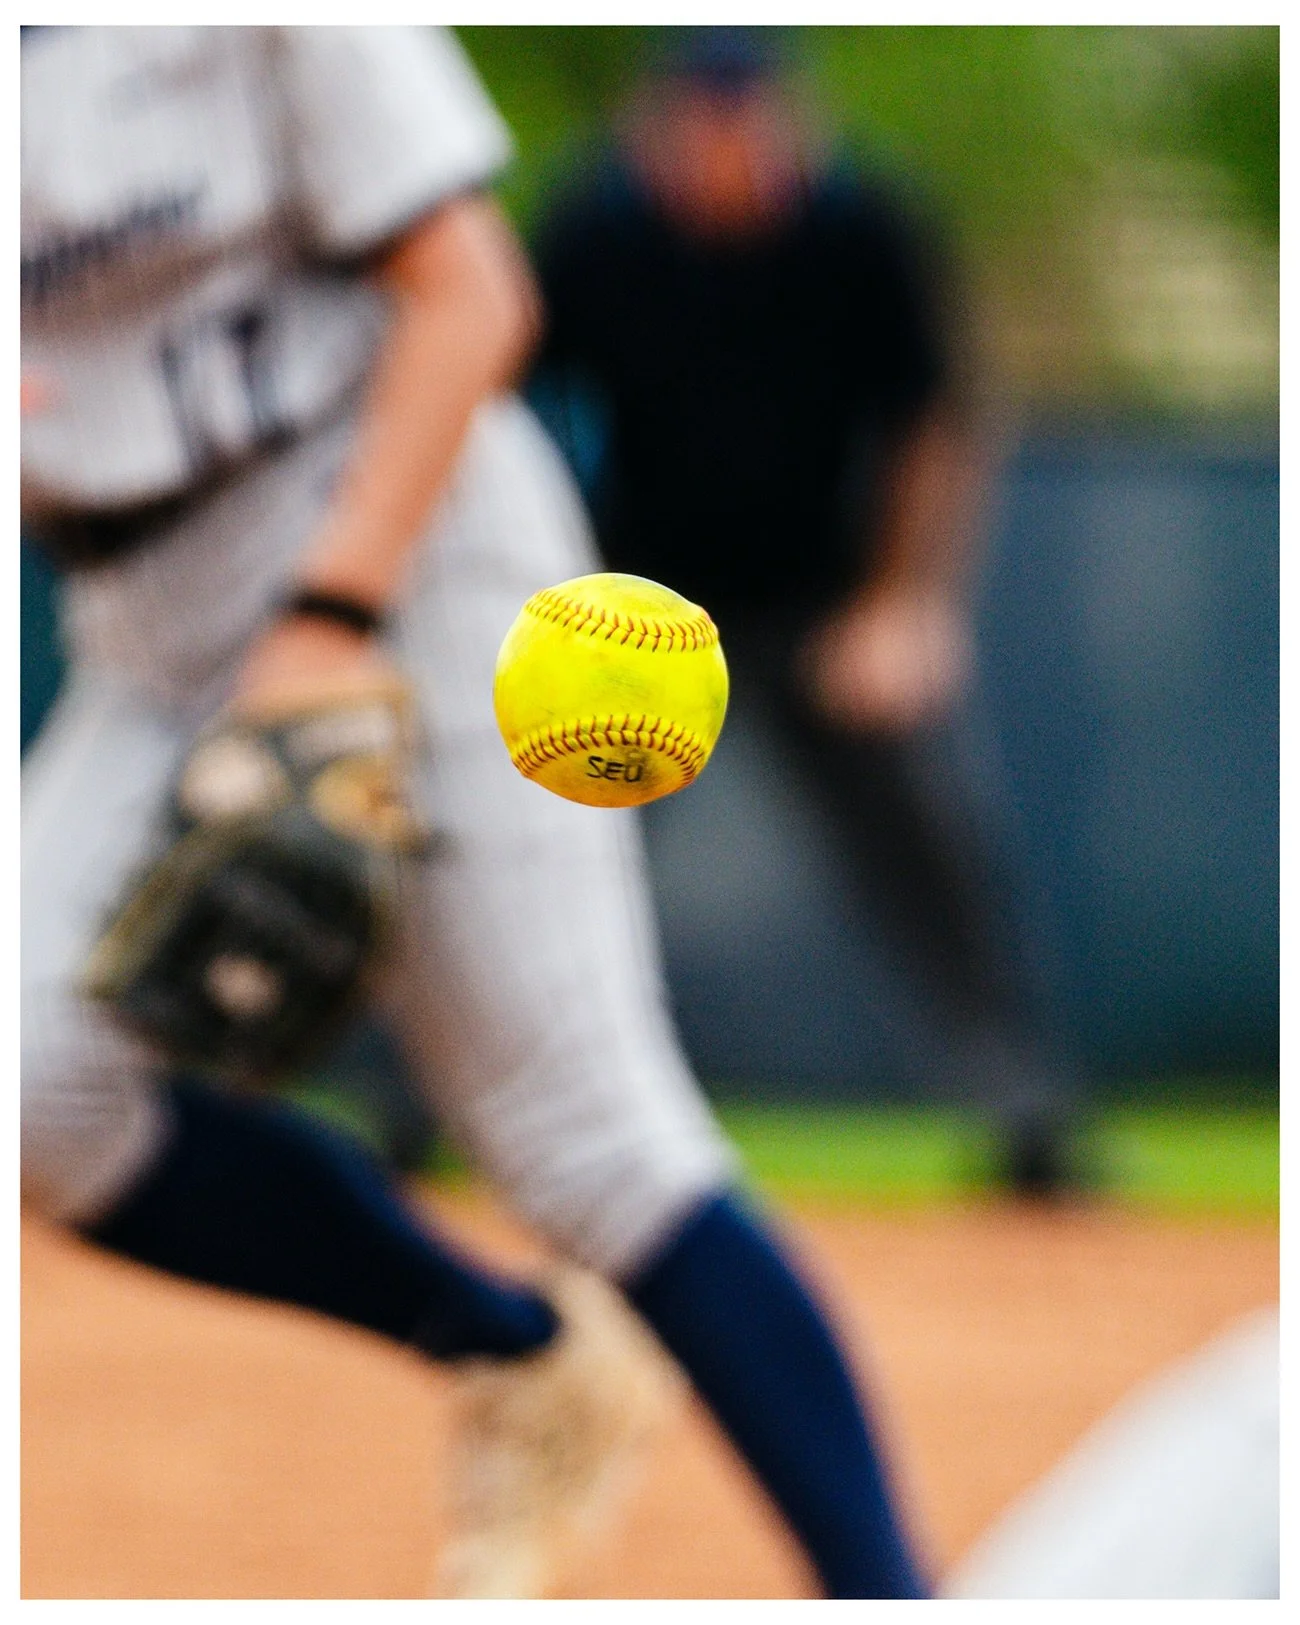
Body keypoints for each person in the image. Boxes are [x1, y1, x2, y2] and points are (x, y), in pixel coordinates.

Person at [21, 25, 927, 1599]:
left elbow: (477, 292)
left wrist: (328, 613)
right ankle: (518, 1351)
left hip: (398, 533)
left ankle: (892, 1593)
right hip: (146, 619)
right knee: (35, 1085)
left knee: (581, 1128)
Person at [530, 26, 1078, 1190]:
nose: (726, 141)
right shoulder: (593, 232)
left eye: (748, 113)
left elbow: (936, 420)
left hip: (824, 603)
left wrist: (907, 604)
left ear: (791, 118)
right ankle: (431, 1110)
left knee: (933, 858)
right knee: (534, 856)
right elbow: (501, 401)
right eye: (701, 115)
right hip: (635, 606)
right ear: (656, 123)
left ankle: (1026, 1114)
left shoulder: (861, 228)